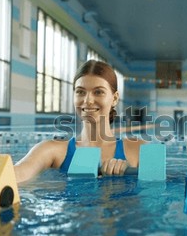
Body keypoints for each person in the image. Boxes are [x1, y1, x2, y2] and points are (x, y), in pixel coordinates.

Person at [14, 60, 145, 183]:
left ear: (115, 98)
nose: (87, 100)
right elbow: (18, 174)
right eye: (80, 92)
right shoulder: (52, 151)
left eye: (98, 92)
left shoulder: (139, 149)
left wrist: (129, 180)